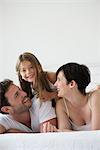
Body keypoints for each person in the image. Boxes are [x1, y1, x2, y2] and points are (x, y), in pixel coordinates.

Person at [43, 62, 100, 132]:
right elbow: (65, 134)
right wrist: (57, 131)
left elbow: (96, 135)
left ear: (72, 84)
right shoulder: (61, 105)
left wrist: (62, 131)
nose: (55, 84)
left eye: (59, 80)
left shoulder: (96, 97)